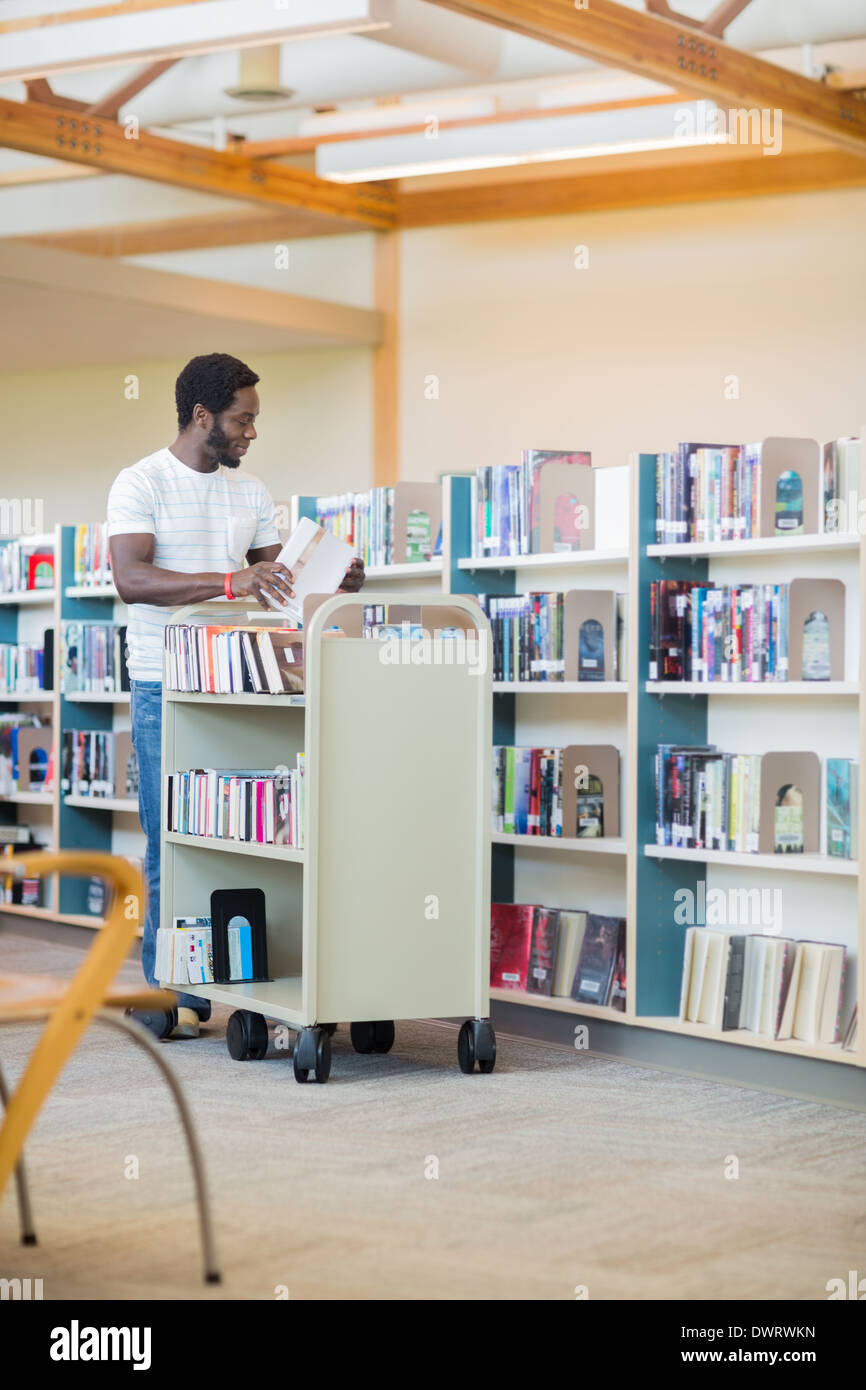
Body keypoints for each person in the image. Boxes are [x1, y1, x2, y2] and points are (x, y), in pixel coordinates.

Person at [108, 353, 364, 1038]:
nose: (251, 433)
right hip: (166, 683)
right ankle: (174, 992)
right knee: (174, 837)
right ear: (202, 416)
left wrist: (333, 581)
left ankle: (252, 974)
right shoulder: (141, 482)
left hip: (242, 682)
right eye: (242, 420)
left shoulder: (250, 491)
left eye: (254, 421)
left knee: (250, 831)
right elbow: (131, 579)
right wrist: (226, 585)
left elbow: (274, 583)